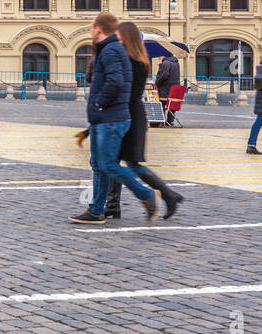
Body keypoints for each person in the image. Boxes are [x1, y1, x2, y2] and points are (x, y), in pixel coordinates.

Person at [69, 12, 159, 225]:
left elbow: (115, 82)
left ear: (98, 29)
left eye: (92, 27)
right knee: (99, 165)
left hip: (110, 118)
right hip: (105, 118)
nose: (91, 30)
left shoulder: (110, 50)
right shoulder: (108, 50)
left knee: (108, 164)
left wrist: (100, 103)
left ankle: (146, 195)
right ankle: (96, 210)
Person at [102, 21, 183, 220]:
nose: (117, 40)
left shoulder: (131, 62)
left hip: (128, 114)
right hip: (130, 113)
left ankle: (168, 195)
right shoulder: (138, 60)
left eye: (119, 37)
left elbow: (123, 89)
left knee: (128, 163)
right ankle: (113, 204)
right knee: (117, 161)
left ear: (126, 38)